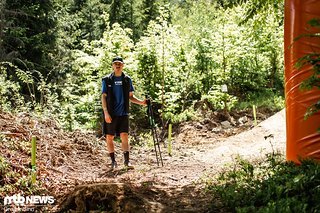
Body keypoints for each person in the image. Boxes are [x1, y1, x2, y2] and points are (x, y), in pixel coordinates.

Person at [101, 56, 146, 169]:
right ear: (112, 65)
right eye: (115, 63)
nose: (117, 65)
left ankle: (126, 162)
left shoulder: (127, 79)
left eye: (119, 63)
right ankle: (113, 162)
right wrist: (106, 112)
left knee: (124, 135)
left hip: (123, 112)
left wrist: (142, 102)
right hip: (110, 113)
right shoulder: (106, 80)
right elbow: (103, 97)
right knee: (109, 137)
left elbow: (130, 96)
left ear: (123, 65)